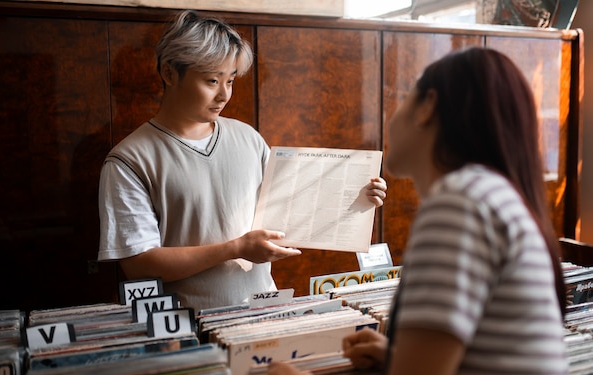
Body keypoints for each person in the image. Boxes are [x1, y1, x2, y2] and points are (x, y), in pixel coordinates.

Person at [263, 47, 572, 375]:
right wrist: (400, 361)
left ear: (427, 107)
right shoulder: (489, 195)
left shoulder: (460, 204)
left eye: (405, 97)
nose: (395, 113)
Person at [97, 10, 388, 314]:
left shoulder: (248, 138)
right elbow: (139, 265)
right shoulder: (129, 160)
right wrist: (235, 249)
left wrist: (356, 198)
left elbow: (294, 210)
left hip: (265, 311)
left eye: (231, 81)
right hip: (187, 325)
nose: (224, 94)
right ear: (170, 73)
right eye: (212, 80)